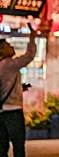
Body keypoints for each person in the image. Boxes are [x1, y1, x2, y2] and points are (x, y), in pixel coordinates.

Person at [0, 24, 36, 157]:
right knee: (18, 145)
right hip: (13, 112)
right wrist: (32, 36)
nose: (12, 46)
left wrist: (20, 88)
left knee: (2, 146)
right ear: (2, 50)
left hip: (1, 112)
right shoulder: (9, 64)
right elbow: (29, 56)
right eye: (8, 44)